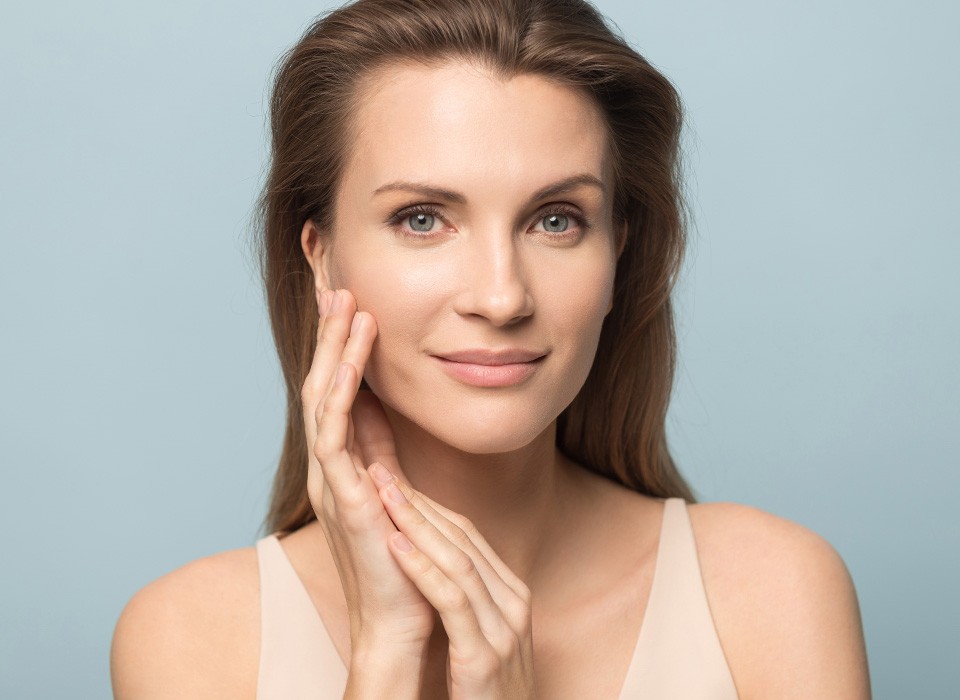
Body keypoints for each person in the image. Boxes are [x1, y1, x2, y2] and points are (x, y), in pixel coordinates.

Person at [109, 0, 871, 698]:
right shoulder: (191, 641)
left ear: (618, 257)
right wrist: (386, 656)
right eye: (421, 220)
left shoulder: (774, 597)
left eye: (557, 220)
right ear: (320, 257)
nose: (502, 297)